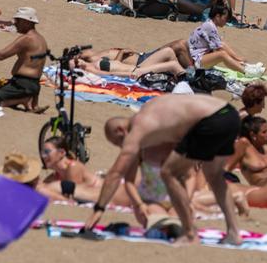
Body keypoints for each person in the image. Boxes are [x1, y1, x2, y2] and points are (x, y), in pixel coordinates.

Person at [82, 93, 241, 245]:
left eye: (119, 143)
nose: (122, 147)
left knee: (168, 172)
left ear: (120, 131)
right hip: (230, 114)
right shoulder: (153, 112)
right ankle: (234, 233)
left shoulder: (139, 126)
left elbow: (116, 173)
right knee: (214, 177)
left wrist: (99, 208)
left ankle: (190, 234)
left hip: (210, 121)